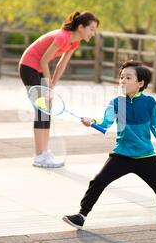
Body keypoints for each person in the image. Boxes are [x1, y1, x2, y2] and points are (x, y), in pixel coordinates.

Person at [63, 60, 156, 229]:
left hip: (145, 155)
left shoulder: (149, 102)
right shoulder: (116, 103)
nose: (123, 81)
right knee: (98, 181)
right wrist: (92, 121)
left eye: (128, 77)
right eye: (121, 77)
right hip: (121, 154)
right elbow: (105, 123)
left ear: (140, 83)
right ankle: (81, 216)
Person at [19, 11, 100, 168]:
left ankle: (44, 152)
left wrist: (52, 86)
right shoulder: (63, 37)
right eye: (91, 29)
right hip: (28, 67)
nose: (93, 33)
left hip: (40, 69)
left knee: (46, 110)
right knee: (41, 110)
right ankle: (39, 156)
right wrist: (48, 86)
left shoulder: (74, 42)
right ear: (81, 27)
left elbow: (61, 64)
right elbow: (44, 61)